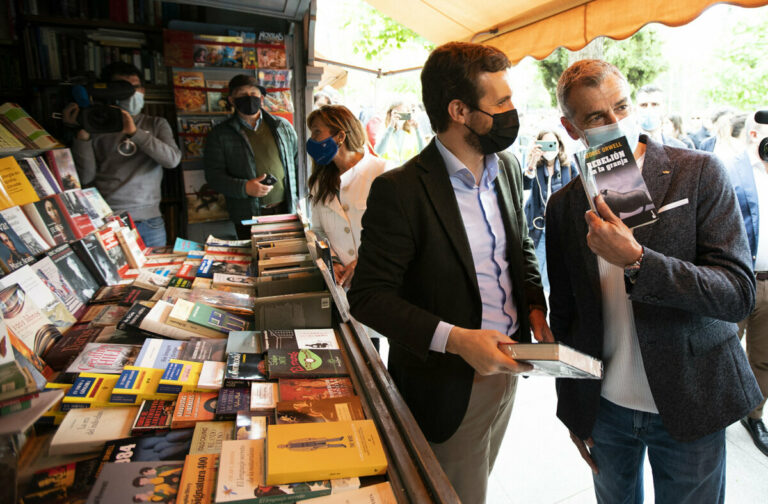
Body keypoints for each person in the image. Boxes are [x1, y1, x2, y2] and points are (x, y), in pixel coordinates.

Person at [547, 59, 761, 503]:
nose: (615, 122)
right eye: (596, 117)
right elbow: (566, 315)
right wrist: (574, 409)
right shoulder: (565, 205)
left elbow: (737, 294)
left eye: (622, 107)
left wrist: (640, 261)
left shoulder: (698, 172)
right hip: (606, 408)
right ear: (571, 129)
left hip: (690, 397)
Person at [348, 41, 552, 503]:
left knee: (479, 476)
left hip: (510, 367)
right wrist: (458, 339)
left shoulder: (508, 167)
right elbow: (368, 297)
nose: (512, 111)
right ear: (459, 110)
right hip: (447, 383)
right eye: (500, 103)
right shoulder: (400, 190)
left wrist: (534, 307)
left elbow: (518, 245)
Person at [65, 62, 181, 247]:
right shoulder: (96, 124)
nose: (131, 93)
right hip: (107, 220)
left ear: (143, 90)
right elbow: (85, 176)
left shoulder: (156, 124)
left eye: (135, 88)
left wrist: (135, 133)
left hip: (149, 221)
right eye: (123, 89)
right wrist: (82, 132)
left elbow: (172, 160)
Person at [204, 74, 298, 239]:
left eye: (253, 94)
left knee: (286, 259)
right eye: (241, 95)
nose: (249, 98)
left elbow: (298, 165)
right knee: (253, 260)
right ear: (232, 100)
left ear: (261, 98)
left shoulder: (282, 127)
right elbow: (213, 177)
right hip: (248, 216)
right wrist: (245, 187)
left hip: (285, 211)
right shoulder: (219, 134)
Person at [306, 105, 387, 289]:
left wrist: (362, 263)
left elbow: (397, 234)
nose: (312, 140)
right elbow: (317, 231)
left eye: (317, 132)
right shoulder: (320, 182)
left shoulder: (382, 172)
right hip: (343, 287)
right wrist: (331, 261)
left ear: (340, 136)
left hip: (380, 280)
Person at [725, 109, 768, 456]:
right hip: (738, 279)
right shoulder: (733, 169)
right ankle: (715, 411)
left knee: (764, 358)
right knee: (722, 349)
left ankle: (753, 415)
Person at [523, 128, 577, 292]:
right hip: (538, 227)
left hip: (561, 228)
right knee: (535, 269)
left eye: (552, 144)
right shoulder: (535, 168)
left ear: (559, 145)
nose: (549, 149)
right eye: (544, 144)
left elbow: (576, 195)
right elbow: (525, 186)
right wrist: (531, 162)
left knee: (557, 272)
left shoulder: (569, 167)